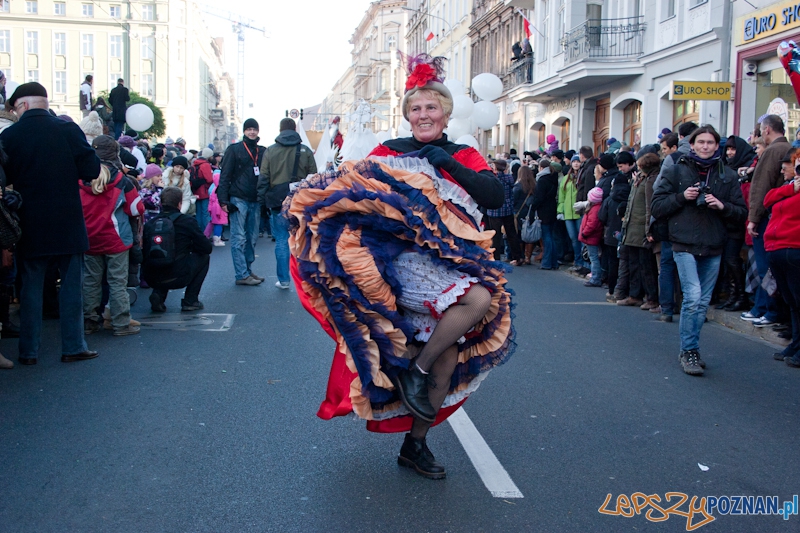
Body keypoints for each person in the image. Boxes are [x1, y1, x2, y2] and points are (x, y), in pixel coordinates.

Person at [287, 53, 510, 480]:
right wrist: (297, 197)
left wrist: (445, 162)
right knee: (479, 298)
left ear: (445, 113)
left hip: (451, 264)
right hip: (399, 266)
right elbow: (344, 187)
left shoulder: (463, 153)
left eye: (432, 107)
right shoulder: (387, 152)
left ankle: (415, 443)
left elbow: (495, 196)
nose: (424, 114)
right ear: (407, 115)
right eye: (416, 108)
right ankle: (417, 369)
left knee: (447, 360)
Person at [0, 82, 100, 364]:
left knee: (30, 288)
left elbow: (3, 178)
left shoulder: (12, 135)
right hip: (68, 221)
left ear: (23, 105)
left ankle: (28, 351)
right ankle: (73, 346)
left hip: (30, 222)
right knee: (71, 287)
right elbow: (91, 170)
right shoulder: (67, 130)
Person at [651, 125, 747, 376]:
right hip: (683, 243)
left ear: (717, 146)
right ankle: (689, 350)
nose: (705, 146)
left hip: (714, 244)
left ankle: (691, 347)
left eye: (710, 143)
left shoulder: (728, 175)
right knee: (692, 296)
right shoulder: (675, 169)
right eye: (701, 142)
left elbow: (741, 213)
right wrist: (683, 196)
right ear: (691, 144)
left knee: (702, 302)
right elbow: (657, 206)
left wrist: (721, 205)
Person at [79, 136, 142, 336]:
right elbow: (136, 208)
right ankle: (120, 323)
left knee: (91, 280)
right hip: (116, 238)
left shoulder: (81, 178)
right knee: (117, 282)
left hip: (89, 237)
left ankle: (90, 321)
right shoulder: (121, 180)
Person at [742, 114, 791, 328]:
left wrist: (753, 218)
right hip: (779, 215)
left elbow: (761, 188)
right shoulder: (787, 148)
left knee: (765, 268)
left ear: (767, 129)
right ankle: (766, 309)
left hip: (768, 216)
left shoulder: (772, 151)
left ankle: (769, 310)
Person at [256, 117, 316, 289]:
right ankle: (307, 280)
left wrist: (261, 200)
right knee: (304, 238)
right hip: (301, 200)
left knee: (282, 239)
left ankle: (284, 280)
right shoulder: (305, 150)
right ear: (294, 129)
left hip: (277, 200)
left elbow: (264, 177)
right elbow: (313, 176)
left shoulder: (270, 151)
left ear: (280, 130)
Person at [142, 187, 212, 312]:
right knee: (204, 257)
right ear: (179, 204)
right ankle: (190, 300)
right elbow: (206, 247)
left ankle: (159, 294)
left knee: (161, 258)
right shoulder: (187, 221)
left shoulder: (150, 224)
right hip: (178, 276)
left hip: (151, 277)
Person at [218, 119, 266, 286]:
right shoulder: (234, 149)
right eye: (249, 129)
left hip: (255, 198)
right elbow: (225, 175)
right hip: (238, 198)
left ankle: (247, 269)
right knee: (239, 237)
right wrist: (223, 199)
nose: (252, 132)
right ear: (244, 131)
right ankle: (241, 274)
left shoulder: (262, 151)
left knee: (252, 238)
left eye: (254, 129)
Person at [764, 154, 800, 366]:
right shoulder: (788, 189)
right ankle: (796, 343)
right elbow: (767, 199)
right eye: (797, 169)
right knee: (792, 302)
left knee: (798, 301)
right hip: (777, 249)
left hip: (795, 249)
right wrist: (791, 188)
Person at [620, 153, 660, 310]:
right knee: (634, 264)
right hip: (632, 227)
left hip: (642, 228)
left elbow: (650, 207)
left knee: (646, 266)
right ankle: (635, 295)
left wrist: (649, 230)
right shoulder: (641, 179)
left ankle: (651, 298)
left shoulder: (651, 180)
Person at [485, 159, 523, 264]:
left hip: (494, 209)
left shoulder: (492, 178)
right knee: (511, 234)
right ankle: (517, 257)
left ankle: (496, 258)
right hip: (507, 209)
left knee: (496, 235)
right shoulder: (509, 178)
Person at [528, 158, 559, 269]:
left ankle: (546, 263)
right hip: (552, 209)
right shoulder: (554, 178)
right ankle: (554, 262)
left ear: (541, 168)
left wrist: (533, 206)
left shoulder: (542, 180)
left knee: (546, 237)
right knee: (550, 235)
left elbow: (539, 197)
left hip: (543, 210)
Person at [579, 187, 605, 287]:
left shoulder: (594, 209)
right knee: (594, 257)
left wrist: (584, 233)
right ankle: (596, 276)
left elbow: (592, 224)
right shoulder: (595, 208)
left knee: (593, 257)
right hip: (592, 236)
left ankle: (595, 278)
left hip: (591, 237)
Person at [513, 164, 537, 264]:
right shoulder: (534, 185)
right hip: (530, 212)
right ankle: (528, 257)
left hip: (519, 213)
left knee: (519, 236)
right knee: (529, 235)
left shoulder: (518, 186)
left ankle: (520, 257)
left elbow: (513, 200)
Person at [192, 147, 215, 234]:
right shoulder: (205, 165)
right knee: (205, 213)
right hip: (204, 191)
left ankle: (198, 232)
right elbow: (209, 179)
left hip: (196, 191)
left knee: (198, 213)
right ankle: (205, 233)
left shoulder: (195, 163)